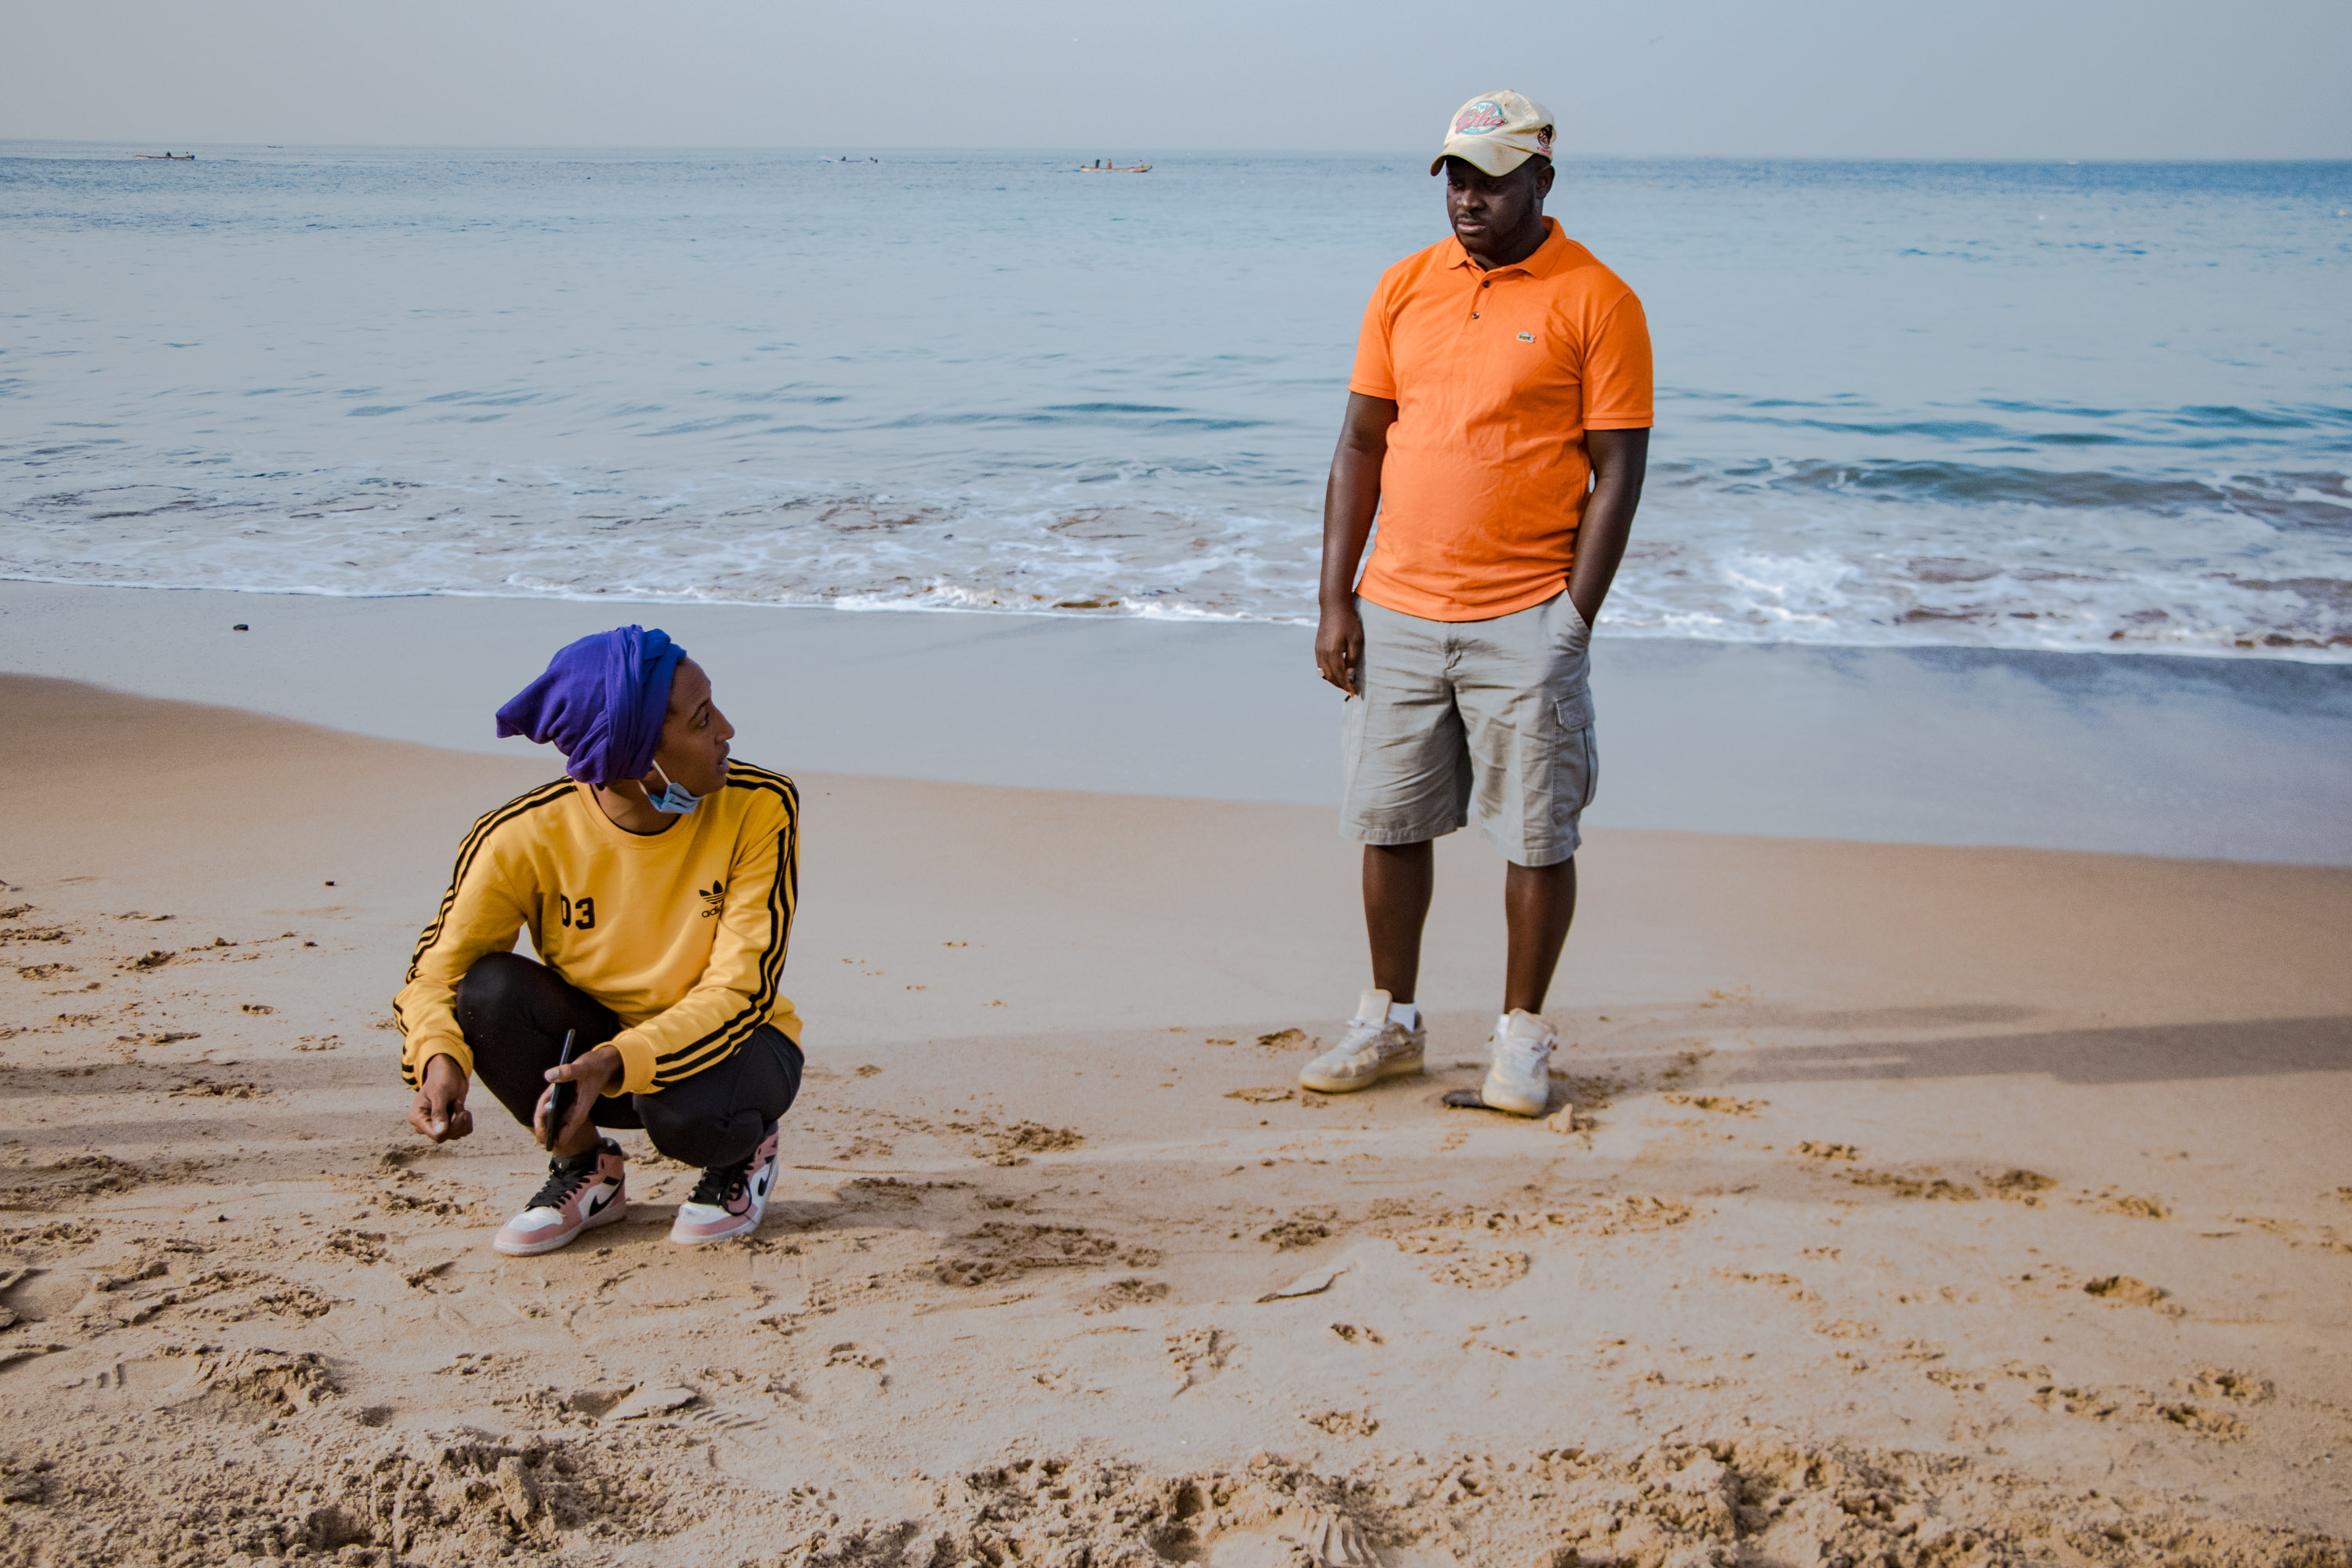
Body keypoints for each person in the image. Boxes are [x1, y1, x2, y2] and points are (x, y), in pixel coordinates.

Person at [1298, 90, 1652, 1116]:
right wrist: (1335, 598)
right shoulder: (1403, 286)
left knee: (1538, 834)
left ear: (1542, 178)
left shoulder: (1599, 300)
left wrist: (1572, 620)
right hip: (1396, 604)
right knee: (1390, 820)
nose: (1468, 198)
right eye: (1456, 176)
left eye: (1491, 179)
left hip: (1527, 610)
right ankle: (1391, 1022)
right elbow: (1359, 444)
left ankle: (1520, 1039)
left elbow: (1619, 472)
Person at [396, 626, 805, 1254]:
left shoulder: (760, 805)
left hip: (738, 1049)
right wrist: (437, 1058)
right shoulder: (518, 837)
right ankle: (586, 1168)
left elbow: (740, 989)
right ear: (639, 761)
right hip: (594, 1061)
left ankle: (743, 1156)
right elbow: (436, 977)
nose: (727, 730)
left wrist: (617, 1058)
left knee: (685, 1114)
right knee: (487, 990)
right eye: (701, 720)